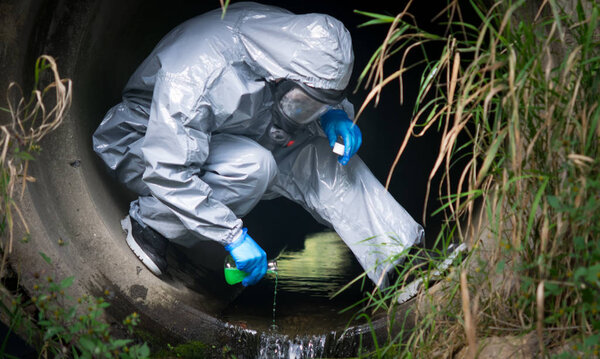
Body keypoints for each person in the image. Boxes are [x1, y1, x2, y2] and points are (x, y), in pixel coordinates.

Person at [93, 2, 424, 289]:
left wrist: (332, 115)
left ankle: (404, 261)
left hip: (230, 133)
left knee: (326, 158)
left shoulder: (289, 41)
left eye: (322, 104)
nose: (311, 113)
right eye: (306, 104)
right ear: (282, 77)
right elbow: (168, 168)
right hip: (145, 142)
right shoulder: (196, 74)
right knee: (255, 166)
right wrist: (232, 236)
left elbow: (308, 92)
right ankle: (151, 222)